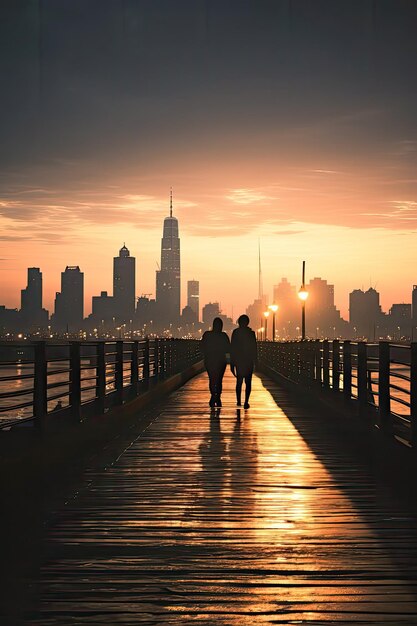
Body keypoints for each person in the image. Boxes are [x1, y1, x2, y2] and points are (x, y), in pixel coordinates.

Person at [201, 317, 231, 407]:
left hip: (210, 360)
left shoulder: (207, 335)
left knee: (212, 379)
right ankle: (217, 397)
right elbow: (228, 349)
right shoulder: (223, 336)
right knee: (219, 380)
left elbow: (202, 346)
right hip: (221, 361)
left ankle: (213, 395)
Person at [230, 314, 257, 409]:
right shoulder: (251, 333)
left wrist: (232, 364)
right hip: (248, 360)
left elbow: (232, 348)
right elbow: (254, 348)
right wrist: (256, 361)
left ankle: (238, 401)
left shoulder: (236, 333)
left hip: (239, 360)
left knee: (239, 381)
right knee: (248, 382)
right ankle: (246, 402)